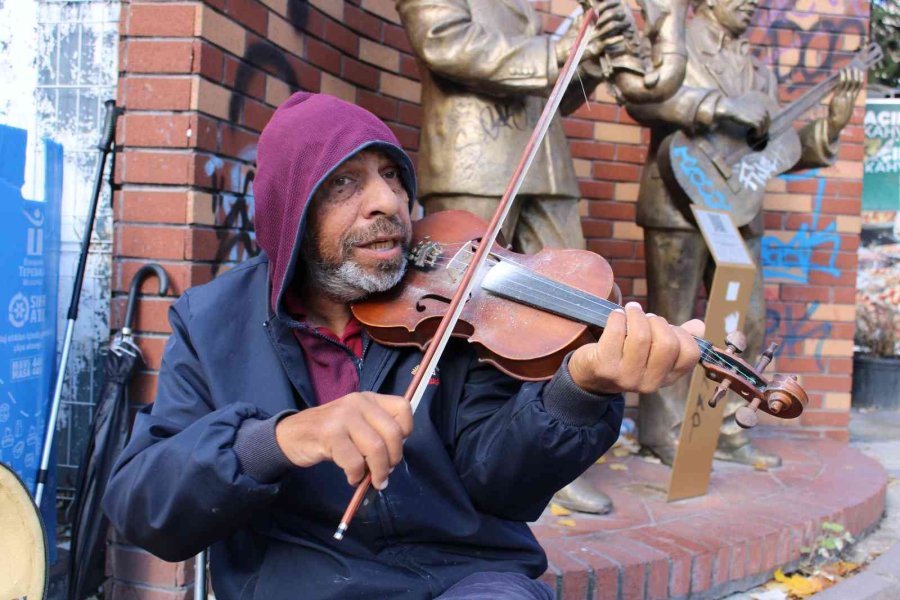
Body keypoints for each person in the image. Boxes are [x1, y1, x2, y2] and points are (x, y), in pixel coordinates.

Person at [103, 93, 704, 600]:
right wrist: (282, 439)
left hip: (464, 578)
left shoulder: (459, 306)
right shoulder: (213, 322)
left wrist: (577, 391)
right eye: (345, 183)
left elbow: (502, 484)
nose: (389, 202)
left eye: (392, 176)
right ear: (291, 210)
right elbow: (144, 507)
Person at [395, 0, 631, 515]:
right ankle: (456, 449)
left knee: (572, 309)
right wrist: (554, 51)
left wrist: (585, 58)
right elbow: (445, 43)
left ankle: (553, 452)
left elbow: (548, 90)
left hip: (547, 165)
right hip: (473, 158)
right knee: (466, 315)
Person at [625, 0, 863, 467]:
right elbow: (644, 99)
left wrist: (831, 125)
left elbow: (772, 149)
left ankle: (728, 426)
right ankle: (661, 431)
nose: (752, 4)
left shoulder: (757, 69)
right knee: (671, 319)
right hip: (677, 198)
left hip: (738, 210)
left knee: (747, 319)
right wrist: (721, 108)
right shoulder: (676, 40)